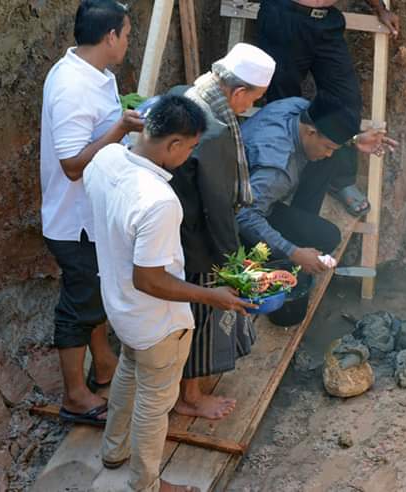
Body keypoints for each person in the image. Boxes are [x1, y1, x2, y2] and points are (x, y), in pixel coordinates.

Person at [84, 95, 253, 492]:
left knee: (128, 370)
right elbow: (151, 280)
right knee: (154, 405)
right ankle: (147, 484)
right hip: (156, 321)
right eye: (191, 147)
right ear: (173, 144)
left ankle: (113, 450)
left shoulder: (106, 160)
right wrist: (215, 296)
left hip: (120, 307)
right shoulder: (160, 201)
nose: (191, 155)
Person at [39, 0, 144, 426]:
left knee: (96, 293)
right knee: (78, 306)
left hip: (93, 213)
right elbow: (72, 165)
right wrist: (122, 129)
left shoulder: (95, 73)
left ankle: (103, 365)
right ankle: (75, 396)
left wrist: (120, 120)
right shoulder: (71, 87)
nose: (128, 42)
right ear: (110, 37)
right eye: (127, 34)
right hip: (74, 220)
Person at [165, 43, 277, 420]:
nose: (248, 108)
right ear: (238, 92)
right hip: (196, 237)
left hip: (179, 228)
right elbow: (216, 200)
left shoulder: (188, 93)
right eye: (252, 100)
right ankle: (190, 397)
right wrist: (233, 260)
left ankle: (187, 390)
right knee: (199, 316)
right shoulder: (211, 131)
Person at [256, 0, 400, 218]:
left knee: (345, 100)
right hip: (284, 15)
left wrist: (380, 9)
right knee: (283, 101)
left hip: (326, 21)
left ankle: (341, 179)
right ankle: (282, 179)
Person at [236, 92, 397, 275]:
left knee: (331, 158)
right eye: (328, 146)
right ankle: (283, 280)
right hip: (236, 220)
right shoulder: (276, 171)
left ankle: (300, 239)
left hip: (252, 189)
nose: (329, 152)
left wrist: (353, 140)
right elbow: (244, 216)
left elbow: (326, 137)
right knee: (327, 237)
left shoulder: (295, 107)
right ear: (311, 132)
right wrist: (293, 252)